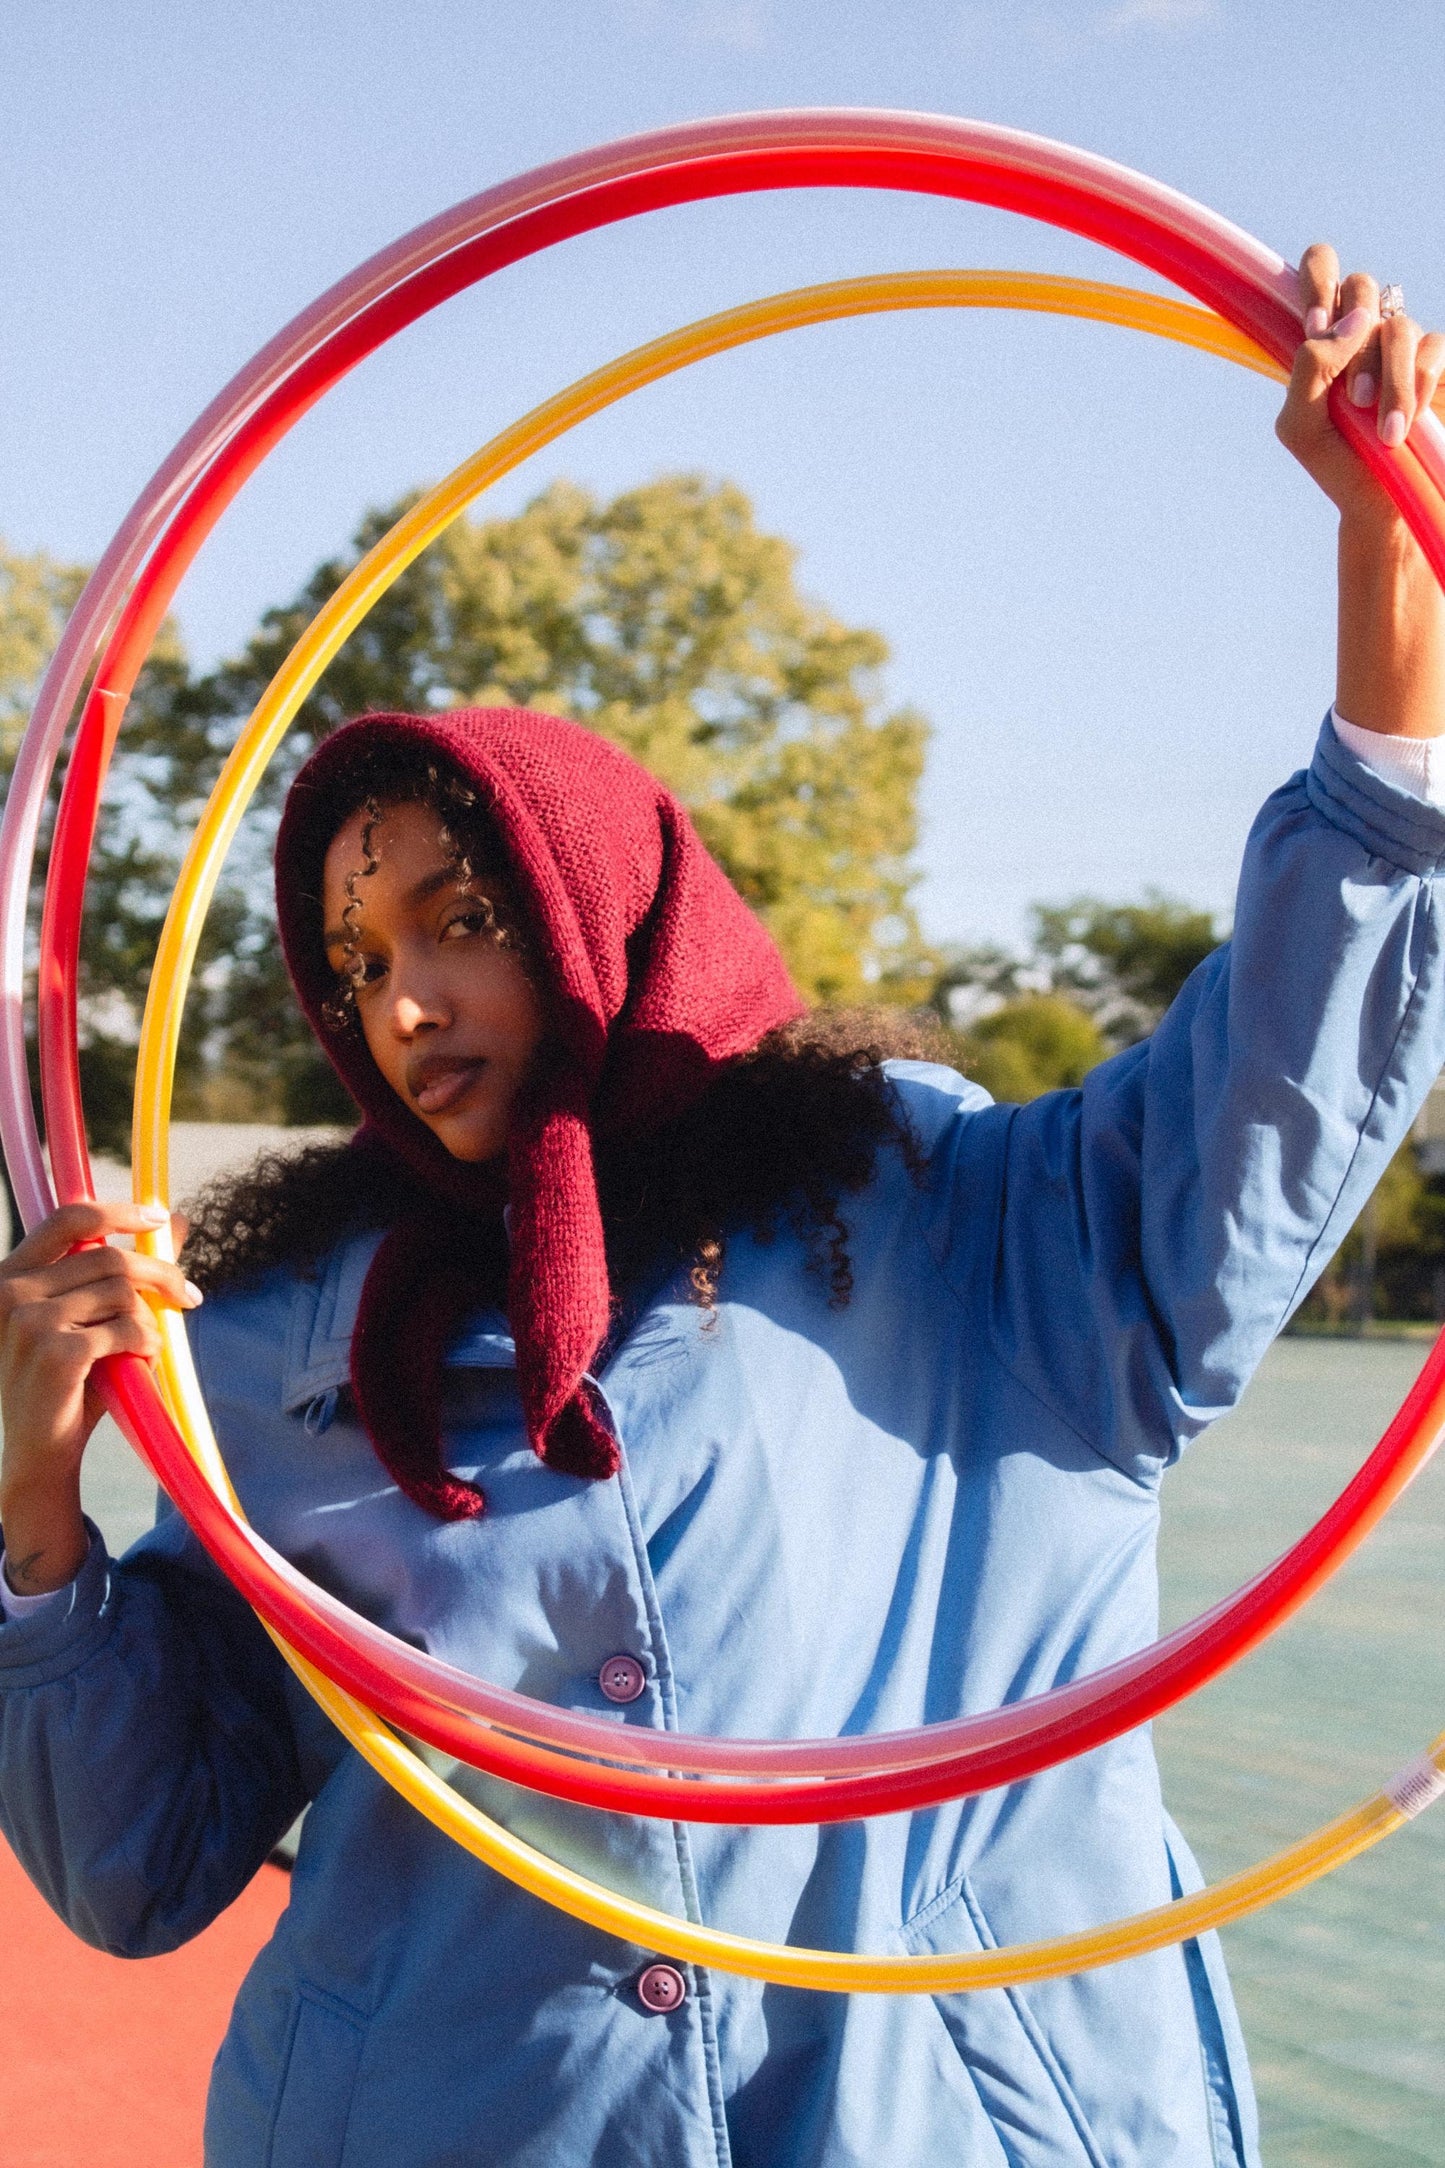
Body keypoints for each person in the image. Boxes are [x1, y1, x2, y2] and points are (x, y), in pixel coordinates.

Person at [2, 250, 1444, 2168]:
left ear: (603, 904)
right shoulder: (284, 1329)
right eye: (353, 963)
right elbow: (139, 1866)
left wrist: (1392, 603)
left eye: (462, 921)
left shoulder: (929, 1205)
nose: (404, 1001)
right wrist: (30, 1522)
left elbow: (1265, 1092)